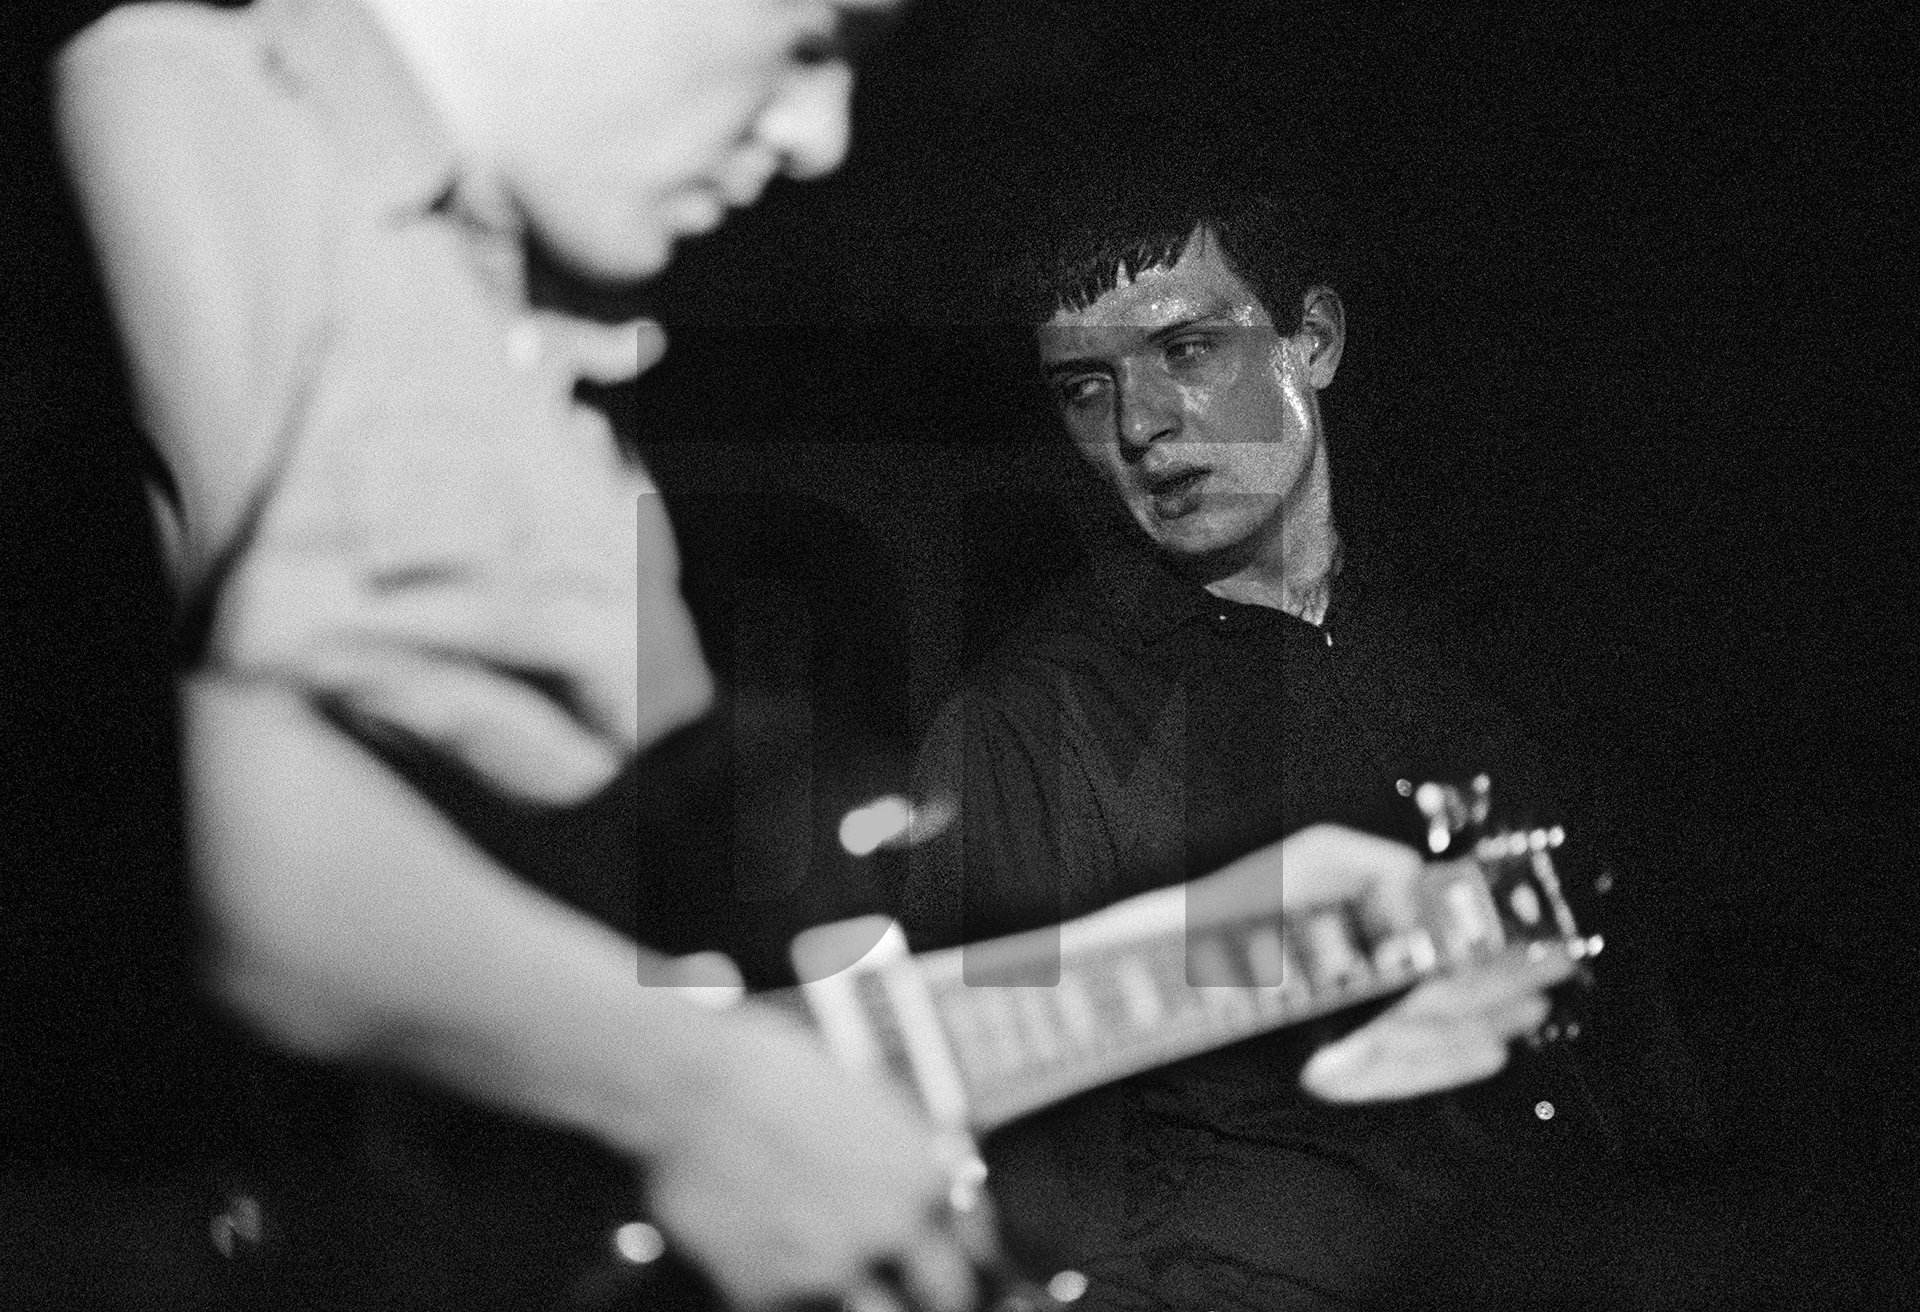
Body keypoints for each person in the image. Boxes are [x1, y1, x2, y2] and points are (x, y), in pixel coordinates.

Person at [50, 2, 1586, 1306]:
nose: (821, 132)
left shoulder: (557, 408)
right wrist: (690, 1087)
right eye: (800, 35)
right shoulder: (201, 117)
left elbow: (752, 1063)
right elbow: (159, 817)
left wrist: (1233, 945)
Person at [898, 177, 1711, 1308]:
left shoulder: (1483, 653)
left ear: (1313, 340)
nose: (1139, 425)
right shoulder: (1026, 729)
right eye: (1087, 388)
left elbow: (1636, 1042)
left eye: (1186, 349)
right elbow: (1032, 1207)